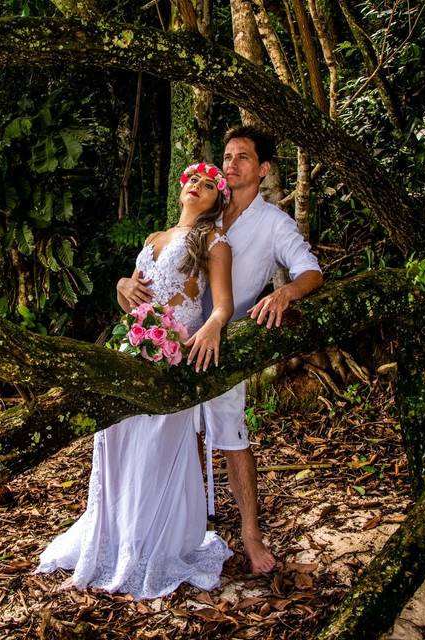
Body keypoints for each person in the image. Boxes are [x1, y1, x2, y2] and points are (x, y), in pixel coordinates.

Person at [117, 127, 323, 574]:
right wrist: (124, 285)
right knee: (175, 434)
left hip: (226, 344)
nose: (231, 164)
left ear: (263, 169)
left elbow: (310, 270)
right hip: (174, 341)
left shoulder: (274, 224)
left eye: (243, 157)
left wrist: (284, 295)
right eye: (227, 156)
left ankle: (250, 535)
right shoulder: (209, 209)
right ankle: (181, 526)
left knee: (231, 438)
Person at [37, 162, 236, 599]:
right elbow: (132, 295)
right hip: (133, 351)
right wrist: (122, 283)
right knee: (118, 443)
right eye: (193, 182)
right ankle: (115, 539)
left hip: (172, 362)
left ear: (218, 199)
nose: (198, 188)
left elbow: (222, 304)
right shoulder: (152, 239)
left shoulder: (214, 242)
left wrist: (213, 325)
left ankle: (152, 547)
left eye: (208, 185)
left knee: (154, 449)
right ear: (182, 188)